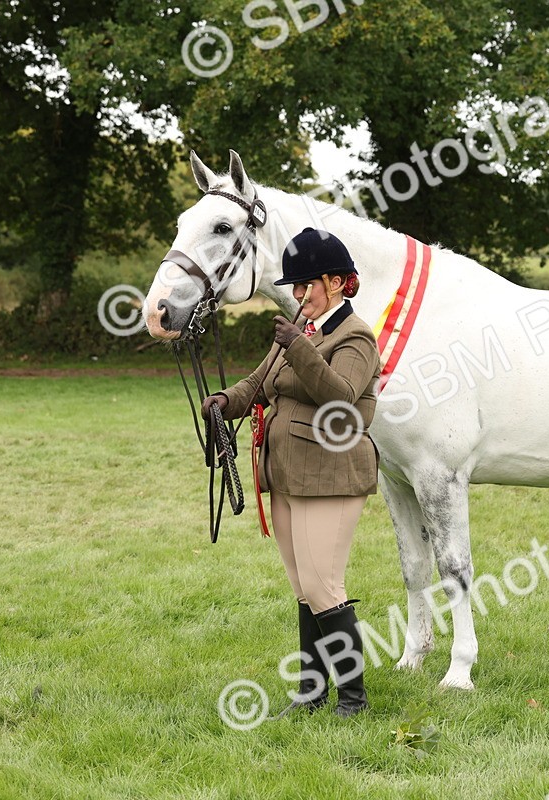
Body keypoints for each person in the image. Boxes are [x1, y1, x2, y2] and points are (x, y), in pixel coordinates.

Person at [202, 228, 381, 718]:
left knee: (324, 587)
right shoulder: (303, 329)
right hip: (285, 473)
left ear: (337, 283)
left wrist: (297, 347)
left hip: (331, 476)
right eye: (295, 286)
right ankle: (311, 692)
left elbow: (341, 397)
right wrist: (225, 402)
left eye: (306, 284)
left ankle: (354, 700)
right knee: (305, 589)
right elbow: (260, 383)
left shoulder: (355, 336)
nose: (298, 294)